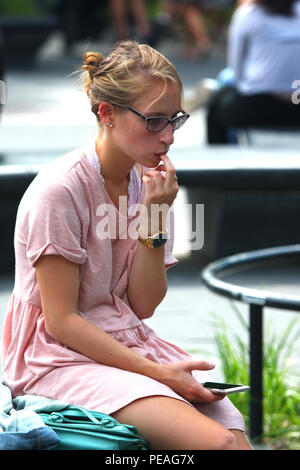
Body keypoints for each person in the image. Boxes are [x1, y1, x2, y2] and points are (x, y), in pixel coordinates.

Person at [1, 40, 251, 450]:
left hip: (126, 342)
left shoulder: (149, 186)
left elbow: (144, 305)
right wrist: (159, 373)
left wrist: (154, 215)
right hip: (55, 357)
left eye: (175, 120)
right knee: (217, 445)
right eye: (154, 121)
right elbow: (61, 321)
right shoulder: (60, 190)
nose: (169, 136)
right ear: (107, 114)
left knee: (234, 440)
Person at [206, 0, 300, 144]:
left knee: (216, 106)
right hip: (296, 103)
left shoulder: (248, 14)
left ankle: (222, 160)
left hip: (256, 107)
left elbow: (236, 68)